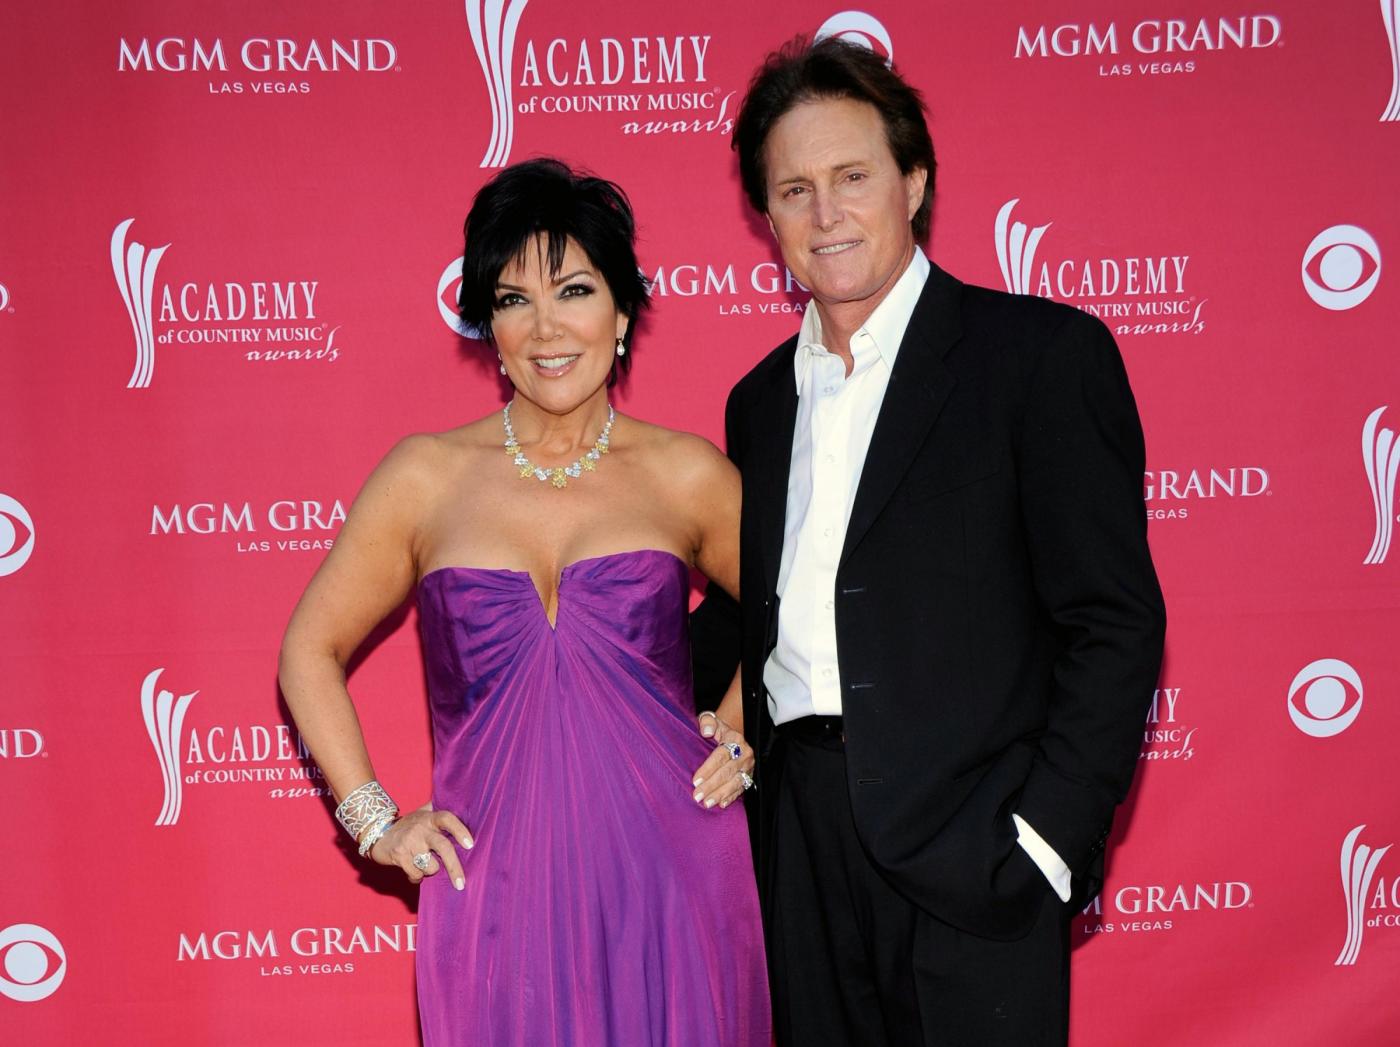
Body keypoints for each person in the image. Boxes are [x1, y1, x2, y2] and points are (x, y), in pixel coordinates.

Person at [691, 37, 1167, 1046]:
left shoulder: (1036, 358)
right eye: (793, 190)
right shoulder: (756, 404)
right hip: (798, 847)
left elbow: (1112, 622)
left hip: (974, 844)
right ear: (766, 217)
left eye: (851, 177)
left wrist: (1045, 841)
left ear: (913, 182)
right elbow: (747, 610)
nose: (825, 214)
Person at [278, 158, 769, 1047]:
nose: (546, 327)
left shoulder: (685, 473)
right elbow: (307, 652)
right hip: (493, 892)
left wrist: (738, 728)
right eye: (513, 300)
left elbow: (798, 606)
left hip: (674, 873)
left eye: (574, 290)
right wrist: (377, 824)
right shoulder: (425, 477)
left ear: (623, 311)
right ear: (488, 327)